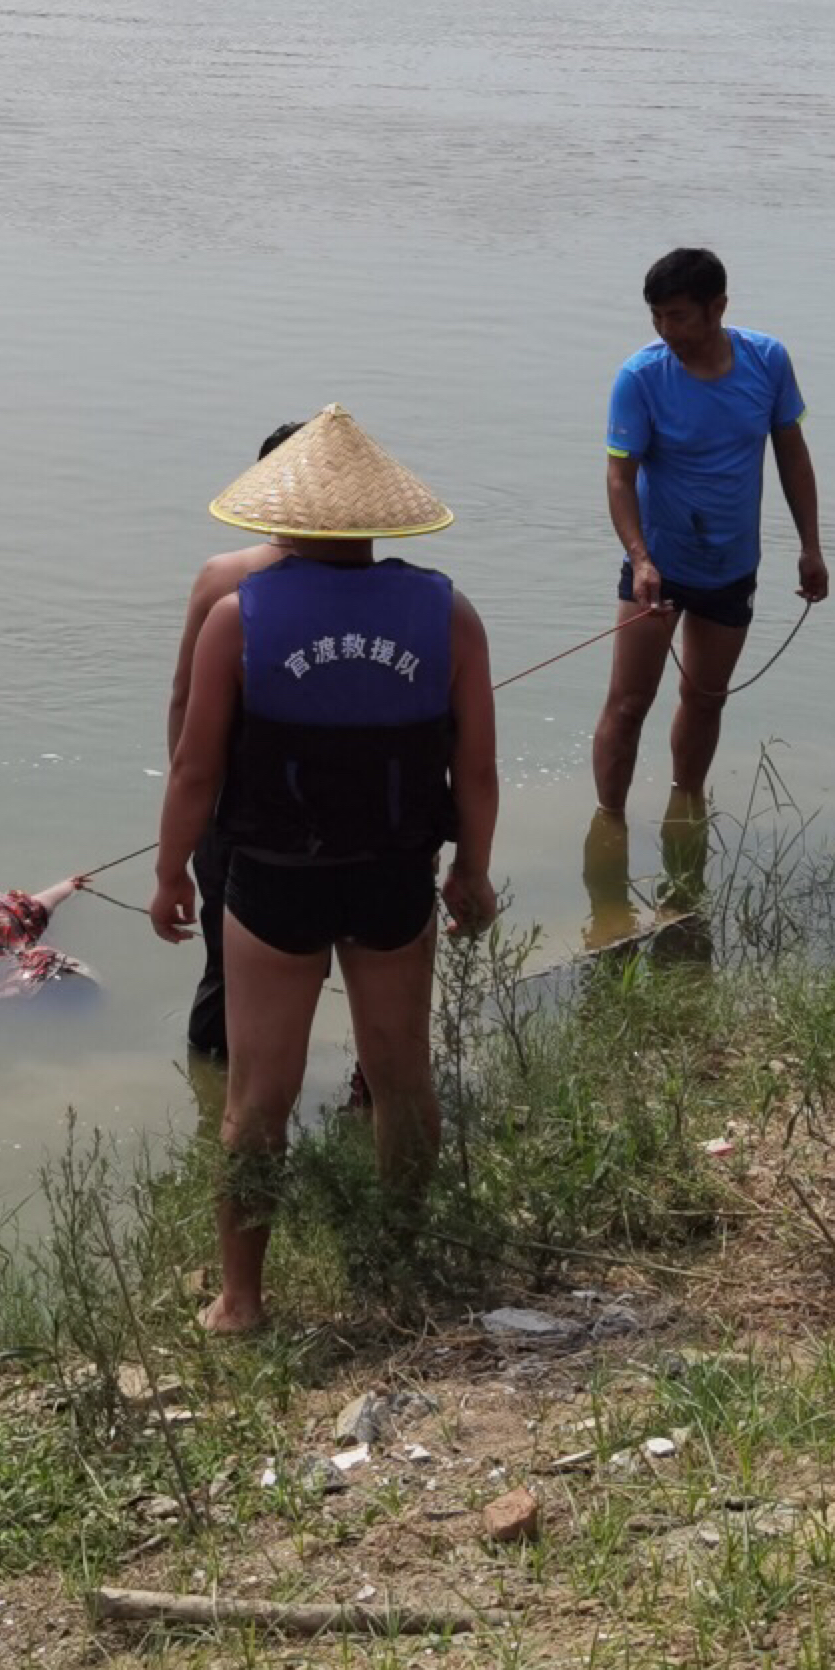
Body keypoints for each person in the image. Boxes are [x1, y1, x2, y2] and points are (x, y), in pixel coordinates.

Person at [152, 408, 498, 1336]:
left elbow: (194, 763)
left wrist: (170, 872)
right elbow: (476, 766)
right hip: (393, 872)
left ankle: (242, 1299)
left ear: (287, 512)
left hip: (272, 879)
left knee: (255, 1098)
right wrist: (474, 868)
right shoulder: (447, 611)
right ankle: (395, 1262)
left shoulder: (239, 614)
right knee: (402, 1078)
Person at [592, 248, 830, 865]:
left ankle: (685, 807)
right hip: (657, 568)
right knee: (628, 701)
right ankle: (609, 823)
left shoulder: (766, 362)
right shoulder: (640, 377)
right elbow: (620, 479)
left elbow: (792, 455)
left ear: (717, 308)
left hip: (729, 566)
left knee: (705, 697)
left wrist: (811, 547)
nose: (666, 331)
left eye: (678, 316)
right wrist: (640, 559)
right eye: (657, 318)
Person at [163, 419, 305, 1064]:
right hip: (367, 815)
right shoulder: (399, 589)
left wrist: (184, 838)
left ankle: (219, 1098)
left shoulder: (224, 577)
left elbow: (185, 709)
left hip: (237, 809)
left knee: (227, 963)